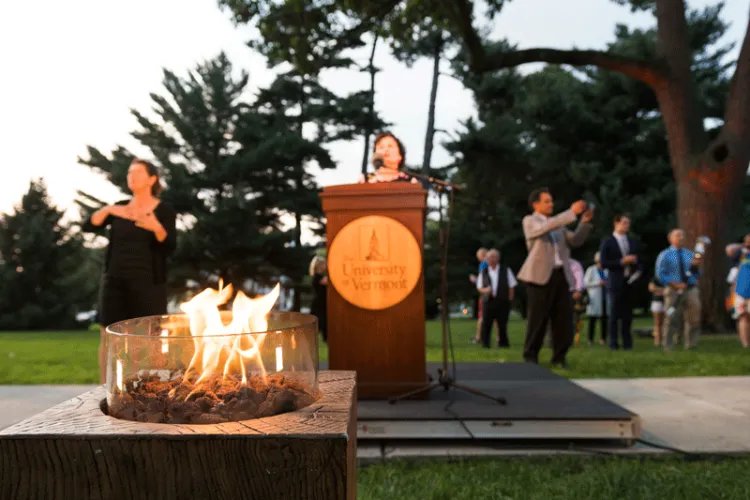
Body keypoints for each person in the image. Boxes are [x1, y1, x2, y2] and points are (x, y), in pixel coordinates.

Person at [82, 158, 177, 383]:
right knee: (108, 334)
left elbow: (170, 246)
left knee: (148, 336)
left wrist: (156, 227)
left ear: (152, 179)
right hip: (115, 280)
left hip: (148, 282)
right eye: (129, 172)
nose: (131, 176)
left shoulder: (163, 210)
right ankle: (105, 388)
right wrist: (108, 209)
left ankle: (150, 388)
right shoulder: (120, 207)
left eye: (137, 172)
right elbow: (89, 225)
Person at [517, 188, 593, 368]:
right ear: (535, 204)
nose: (551, 204)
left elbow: (574, 241)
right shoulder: (530, 221)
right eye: (546, 201)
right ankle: (531, 355)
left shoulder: (558, 224)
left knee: (563, 319)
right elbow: (542, 229)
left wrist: (585, 223)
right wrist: (570, 213)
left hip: (560, 274)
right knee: (537, 319)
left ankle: (559, 357)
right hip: (539, 276)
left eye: (551, 201)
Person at [599, 214, 641, 350]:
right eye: (624, 223)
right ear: (616, 224)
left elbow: (639, 258)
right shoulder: (608, 241)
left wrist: (636, 266)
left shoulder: (632, 241)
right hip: (615, 280)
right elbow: (603, 262)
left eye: (628, 223)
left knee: (627, 314)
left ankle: (627, 342)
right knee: (614, 313)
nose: (627, 226)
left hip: (629, 280)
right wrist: (621, 262)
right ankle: (613, 342)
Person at [656, 229, 702, 350]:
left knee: (694, 317)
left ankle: (691, 344)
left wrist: (696, 267)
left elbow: (697, 273)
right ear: (670, 239)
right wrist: (674, 284)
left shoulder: (689, 254)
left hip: (690, 289)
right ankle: (668, 345)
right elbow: (660, 274)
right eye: (677, 236)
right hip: (673, 290)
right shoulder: (664, 255)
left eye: (682, 236)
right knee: (671, 317)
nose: (680, 238)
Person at [475, 249, 517, 347]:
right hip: (488, 300)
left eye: (493, 257)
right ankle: (486, 343)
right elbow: (479, 287)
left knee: (502, 323)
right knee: (486, 323)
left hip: (502, 300)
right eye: (489, 258)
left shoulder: (506, 270)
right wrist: (486, 291)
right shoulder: (484, 272)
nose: (491, 260)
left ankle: (503, 343)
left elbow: (512, 285)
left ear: (498, 259)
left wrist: (510, 298)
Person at [584, 252, 608, 345]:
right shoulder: (591, 270)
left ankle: (603, 338)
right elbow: (586, 283)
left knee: (604, 319)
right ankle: (590, 339)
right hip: (594, 297)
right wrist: (598, 283)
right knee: (592, 319)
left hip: (605, 297)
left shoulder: (606, 270)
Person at [469, 247, 488, 343]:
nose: (478, 259)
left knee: (481, 316)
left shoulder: (483, 264)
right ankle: (499, 337)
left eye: (478, 257)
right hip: (494, 293)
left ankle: (478, 337)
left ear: (482, 255)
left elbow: (482, 281)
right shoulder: (494, 265)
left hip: (485, 293)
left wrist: (474, 280)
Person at [309, 255, 328, 343]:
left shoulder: (318, 277)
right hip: (320, 305)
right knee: (322, 324)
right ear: (319, 265)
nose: (326, 265)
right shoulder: (319, 278)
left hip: (320, 304)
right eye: (324, 263)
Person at [648, 276, 666, 346]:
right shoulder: (655, 278)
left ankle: (665, 340)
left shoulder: (672, 277)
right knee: (657, 323)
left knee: (667, 322)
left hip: (668, 303)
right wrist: (663, 290)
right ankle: (657, 341)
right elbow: (651, 288)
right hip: (657, 302)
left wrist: (658, 290)